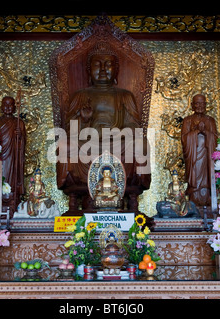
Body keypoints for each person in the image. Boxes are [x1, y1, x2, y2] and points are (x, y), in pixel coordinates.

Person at [56, 42, 150, 210]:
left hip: (117, 143)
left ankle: (132, 193)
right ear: (88, 70)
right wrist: (84, 120)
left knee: (140, 143)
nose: (103, 69)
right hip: (88, 144)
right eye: (97, 65)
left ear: (116, 70)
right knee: (64, 144)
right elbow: (69, 129)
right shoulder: (81, 96)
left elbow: (134, 126)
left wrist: (116, 134)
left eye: (108, 65)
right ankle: (75, 195)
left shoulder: (125, 96)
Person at [0, 96, 26, 216]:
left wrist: (19, 136)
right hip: (1, 157)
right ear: (1, 107)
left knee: (12, 178)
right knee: (0, 177)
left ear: (15, 107)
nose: (7, 107)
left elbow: (23, 145)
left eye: (10, 105)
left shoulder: (19, 123)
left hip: (13, 157)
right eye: (5, 105)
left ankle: (13, 200)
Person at [181, 94, 217, 207]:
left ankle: (207, 194)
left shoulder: (210, 120)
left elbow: (215, 138)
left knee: (207, 176)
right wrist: (195, 131)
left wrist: (205, 132)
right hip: (194, 156)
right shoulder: (187, 121)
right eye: (197, 103)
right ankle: (194, 192)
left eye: (202, 103)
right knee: (194, 178)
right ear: (192, 105)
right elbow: (183, 138)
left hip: (207, 156)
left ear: (206, 105)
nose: (199, 106)